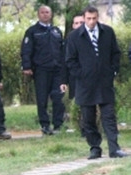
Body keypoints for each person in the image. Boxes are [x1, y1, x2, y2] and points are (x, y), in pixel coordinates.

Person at [65, 6, 128, 159]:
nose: (92, 22)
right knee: (88, 118)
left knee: (109, 116)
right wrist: (81, 74)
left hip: (104, 82)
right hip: (85, 84)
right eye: (88, 19)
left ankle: (114, 148)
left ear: (98, 17)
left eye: (94, 18)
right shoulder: (74, 37)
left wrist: (112, 70)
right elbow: (70, 60)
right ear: (84, 18)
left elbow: (115, 53)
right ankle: (94, 147)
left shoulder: (107, 32)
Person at [21, 5, 66, 135]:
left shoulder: (56, 31)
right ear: (38, 14)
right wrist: (27, 66)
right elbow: (26, 50)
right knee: (42, 99)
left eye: (47, 12)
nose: (45, 15)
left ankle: (58, 125)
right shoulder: (32, 31)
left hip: (57, 70)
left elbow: (62, 51)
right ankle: (45, 125)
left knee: (58, 98)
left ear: (50, 15)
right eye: (42, 12)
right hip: (41, 70)